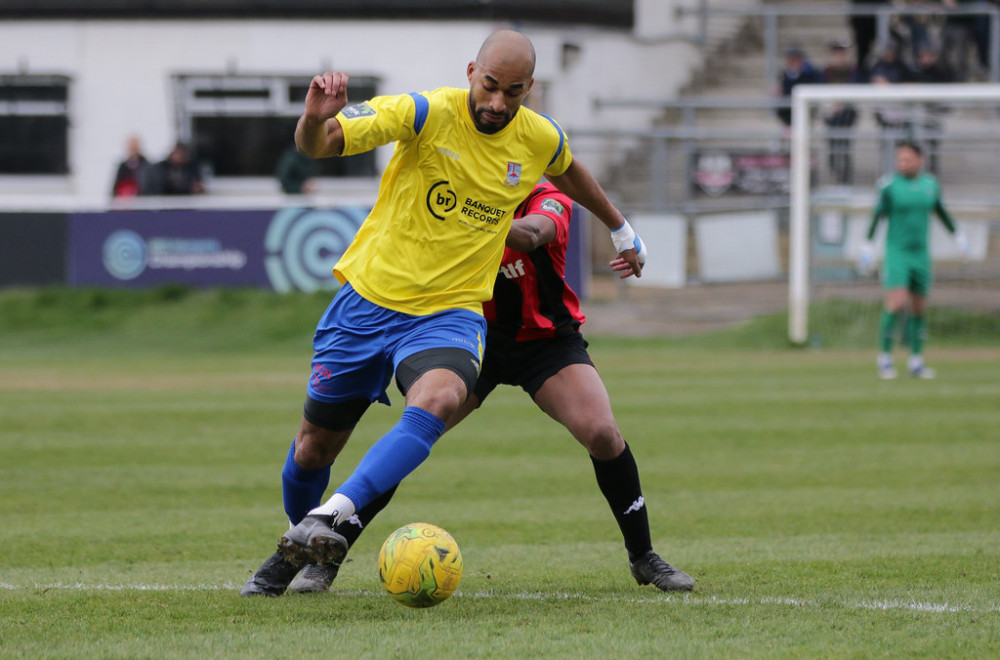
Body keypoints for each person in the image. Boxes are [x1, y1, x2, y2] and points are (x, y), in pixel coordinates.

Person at [241, 29, 647, 597]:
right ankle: (300, 547)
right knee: (314, 446)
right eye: (489, 87)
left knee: (440, 397)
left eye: (513, 92)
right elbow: (320, 144)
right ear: (469, 73)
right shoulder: (423, 111)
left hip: (450, 313)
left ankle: (332, 516)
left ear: (530, 89)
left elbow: (569, 168)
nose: (498, 103)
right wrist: (312, 118)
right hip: (367, 302)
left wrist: (620, 227)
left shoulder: (538, 137)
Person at [252, 183, 693, 595]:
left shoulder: (546, 197)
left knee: (602, 434)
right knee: (414, 435)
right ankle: (321, 556)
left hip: (545, 344)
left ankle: (644, 556)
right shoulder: (453, 189)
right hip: (464, 337)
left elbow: (533, 234)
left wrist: (471, 214)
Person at [858, 142, 969, 380]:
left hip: (921, 254)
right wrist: (867, 245)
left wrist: (958, 237)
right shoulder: (889, 186)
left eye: (907, 159)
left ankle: (916, 361)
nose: (903, 164)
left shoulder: (930, 185)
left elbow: (941, 212)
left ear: (920, 160)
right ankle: (885, 359)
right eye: (900, 159)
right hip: (897, 252)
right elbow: (877, 215)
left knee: (919, 307)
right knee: (896, 302)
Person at [822, 41, 861, 184]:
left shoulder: (852, 70)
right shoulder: (827, 70)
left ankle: (845, 177)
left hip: (847, 114)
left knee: (845, 146)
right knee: (832, 144)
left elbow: (855, 86)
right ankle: (835, 172)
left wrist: (843, 102)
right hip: (831, 113)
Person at [775, 45, 823, 128]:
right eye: (791, 59)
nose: (793, 62)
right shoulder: (785, 76)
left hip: (807, 110)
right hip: (789, 113)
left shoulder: (812, 74)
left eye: (796, 59)